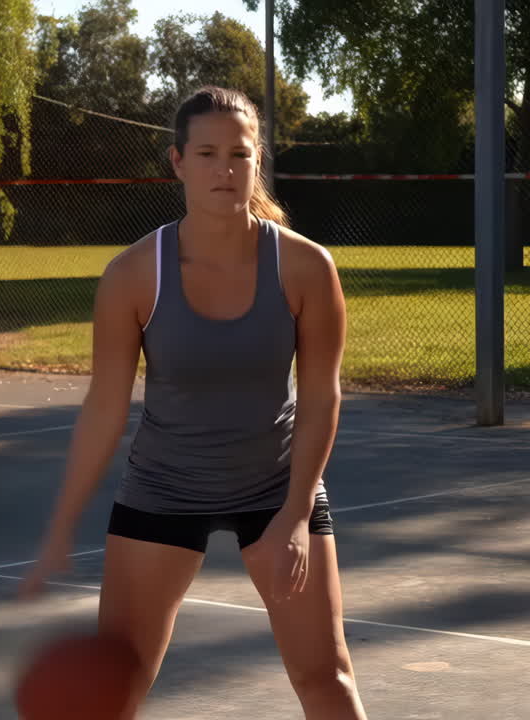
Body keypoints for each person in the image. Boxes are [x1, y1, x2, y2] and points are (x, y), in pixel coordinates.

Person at [20, 85, 368, 720]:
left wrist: (294, 516)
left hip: (277, 487)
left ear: (257, 160)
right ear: (177, 162)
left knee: (327, 677)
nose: (224, 170)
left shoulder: (306, 268)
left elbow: (321, 397)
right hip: (164, 486)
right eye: (206, 153)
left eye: (238, 154)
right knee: (111, 684)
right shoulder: (133, 275)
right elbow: (104, 407)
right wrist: (62, 526)